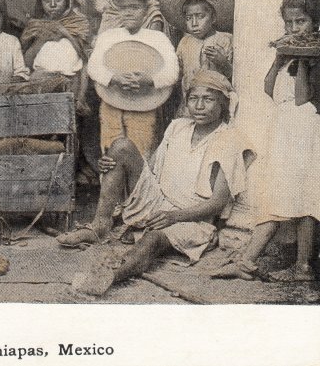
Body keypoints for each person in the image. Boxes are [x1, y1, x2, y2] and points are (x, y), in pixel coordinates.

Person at [70, 71, 251, 295]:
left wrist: (174, 217)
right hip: (159, 202)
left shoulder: (229, 140)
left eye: (208, 99)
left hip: (192, 219)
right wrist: (113, 164)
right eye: (194, 99)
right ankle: (100, 226)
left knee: (153, 239)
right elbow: (152, 168)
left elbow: (217, 203)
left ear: (223, 103)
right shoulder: (178, 127)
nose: (200, 106)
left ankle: (110, 276)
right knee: (121, 147)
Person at [212, 0, 319, 282]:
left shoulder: (313, 57)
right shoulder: (289, 53)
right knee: (285, 192)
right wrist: (280, 57)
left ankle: (301, 266)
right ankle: (266, 260)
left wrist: (303, 59)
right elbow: (269, 89)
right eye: (289, 22)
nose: (295, 28)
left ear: (314, 22)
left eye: (302, 21)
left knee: (304, 195)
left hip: (306, 125)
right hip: (284, 126)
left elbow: (302, 99)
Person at [86, 0, 179, 160]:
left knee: (141, 150)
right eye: (124, 8)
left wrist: (149, 80)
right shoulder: (109, 36)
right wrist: (114, 78)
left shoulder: (157, 38)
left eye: (135, 8)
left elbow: (172, 71)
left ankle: (139, 186)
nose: (129, 13)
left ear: (145, 11)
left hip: (145, 104)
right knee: (110, 150)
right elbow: (94, 66)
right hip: (111, 101)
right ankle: (111, 185)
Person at [161, 0, 234, 114]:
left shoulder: (224, 39)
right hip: (190, 102)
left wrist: (222, 62)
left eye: (200, 16)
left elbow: (233, 76)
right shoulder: (185, 42)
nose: (194, 23)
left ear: (213, 18)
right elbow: (178, 72)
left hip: (215, 102)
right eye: (189, 18)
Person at [21, 0, 90, 111]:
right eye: (47, 0)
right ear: (40, 2)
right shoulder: (35, 26)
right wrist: (42, 39)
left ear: (68, 0)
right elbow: (26, 63)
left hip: (70, 82)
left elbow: (86, 59)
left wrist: (65, 33)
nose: (52, 4)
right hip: (40, 82)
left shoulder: (78, 24)